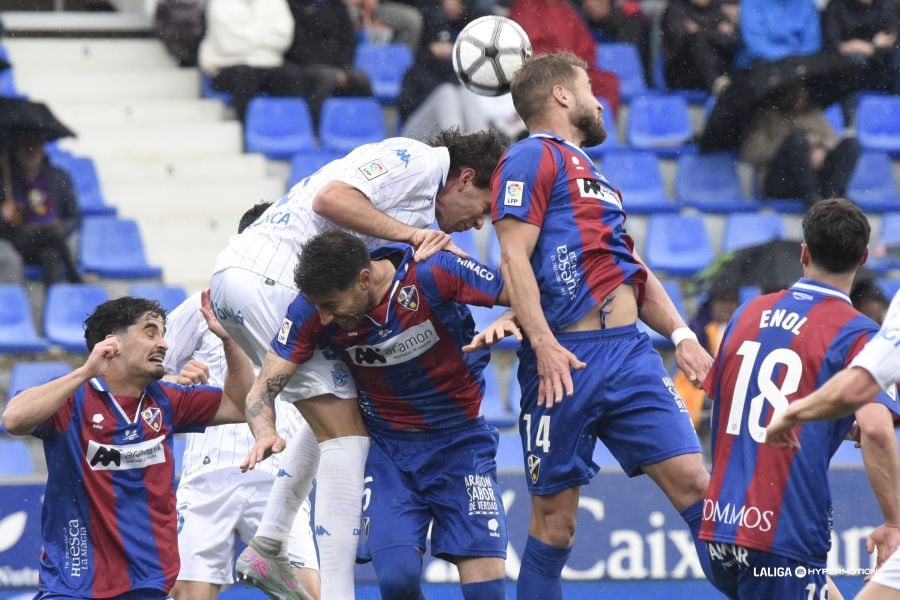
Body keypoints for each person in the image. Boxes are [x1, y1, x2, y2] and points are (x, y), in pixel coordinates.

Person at [209, 127, 506, 600]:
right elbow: (329, 199)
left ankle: (268, 541)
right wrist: (415, 234)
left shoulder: (413, 234)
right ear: (466, 178)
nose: (479, 223)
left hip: (244, 278)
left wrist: (265, 430)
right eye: (486, 208)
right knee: (345, 435)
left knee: (334, 405)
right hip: (273, 277)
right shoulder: (417, 160)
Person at [490, 51, 714, 599]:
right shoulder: (529, 158)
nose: (598, 99)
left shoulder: (597, 177)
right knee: (555, 525)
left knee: (700, 490)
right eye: (588, 87)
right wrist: (542, 344)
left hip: (631, 355)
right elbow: (513, 258)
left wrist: (681, 335)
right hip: (562, 361)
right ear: (562, 96)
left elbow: (631, 270)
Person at [245, 230, 514, 599]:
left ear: (364, 279)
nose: (323, 318)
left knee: (487, 591)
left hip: (460, 443)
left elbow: (525, 290)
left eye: (330, 304)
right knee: (397, 582)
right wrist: (264, 429)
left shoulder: (433, 273)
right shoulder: (312, 310)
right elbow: (263, 386)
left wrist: (513, 313)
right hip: (389, 453)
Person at [702, 198, 900, 599]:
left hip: (720, 524)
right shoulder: (857, 333)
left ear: (804, 253)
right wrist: (894, 523)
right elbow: (878, 431)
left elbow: (745, 399)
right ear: (862, 258)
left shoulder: (747, 313)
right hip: (782, 531)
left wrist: (836, 422)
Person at [0, 294, 254, 600]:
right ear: (112, 343)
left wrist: (230, 339)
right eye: (150, 332)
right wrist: (84, 371)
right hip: (73, 586)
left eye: (162, 333)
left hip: (148, 583)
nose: (164, 343)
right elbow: (13, 419)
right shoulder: (72, 397)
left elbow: (240, 407)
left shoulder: (167, 400)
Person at [166, 203, 319, 600]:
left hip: (278, 472)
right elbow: (147, 369)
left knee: (308, 594)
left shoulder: (315, 310)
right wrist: (174, 379)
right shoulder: (204, 305)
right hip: (207, 474)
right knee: (188, 595)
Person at [198, 0, 306, 122]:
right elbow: (227, 45)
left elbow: (283, 40)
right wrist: (265, 37)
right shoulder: (219, 4)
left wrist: (243, 35)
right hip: (226, 67)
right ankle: (246, 127)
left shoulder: (276, 3)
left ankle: (287, 126)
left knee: (291, 75)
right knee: (244, 74)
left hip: (268, 64)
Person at [3, 129, 82, 287]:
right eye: (25, 146)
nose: (30, 151)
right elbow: (6, 226)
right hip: (19, 237)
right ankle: (75, 276)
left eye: (35, 146)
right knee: (51, 232)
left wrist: (62, 227)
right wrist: (5, 216)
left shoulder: (59, 176)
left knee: (51, 255)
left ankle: (51, 307)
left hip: (49, 239)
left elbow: (74, 216)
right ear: (17, 149)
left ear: (42, 148)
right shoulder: (7, 178)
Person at [283, 0, 373, 127]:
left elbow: (349, 41)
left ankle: (364, 127)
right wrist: (333, 70)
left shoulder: (337, 5)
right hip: (304, 66)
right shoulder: (294, 5)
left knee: (361, 78)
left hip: (339, 66)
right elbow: (297, 46)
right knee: (327, 78)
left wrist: (342, 68)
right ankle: (314, 128)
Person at [661, 0, 739, 93]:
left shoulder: (717, 8)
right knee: (698, 42)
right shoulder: (676, 9)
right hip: (684, 73)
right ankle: (716, 82)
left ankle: (720, 82)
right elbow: (678, 38)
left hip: (719, 69)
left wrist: (700, 30)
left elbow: (732, 40)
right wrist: (714, 31)